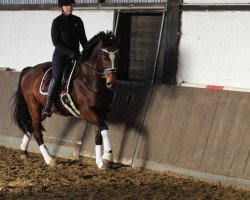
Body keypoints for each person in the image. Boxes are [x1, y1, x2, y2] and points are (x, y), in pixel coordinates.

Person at [42, 0, 87, 117]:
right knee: (57, 78)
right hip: (61, 57)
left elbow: (83, 40)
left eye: (71, 5)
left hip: (76, 56)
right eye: (67, 6)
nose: (69, 8)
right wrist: (70, 52)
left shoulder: (78, 21)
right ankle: (48, 105)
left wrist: (87, 51)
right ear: (62, 7)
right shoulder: (57, 22)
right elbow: (56, 42)